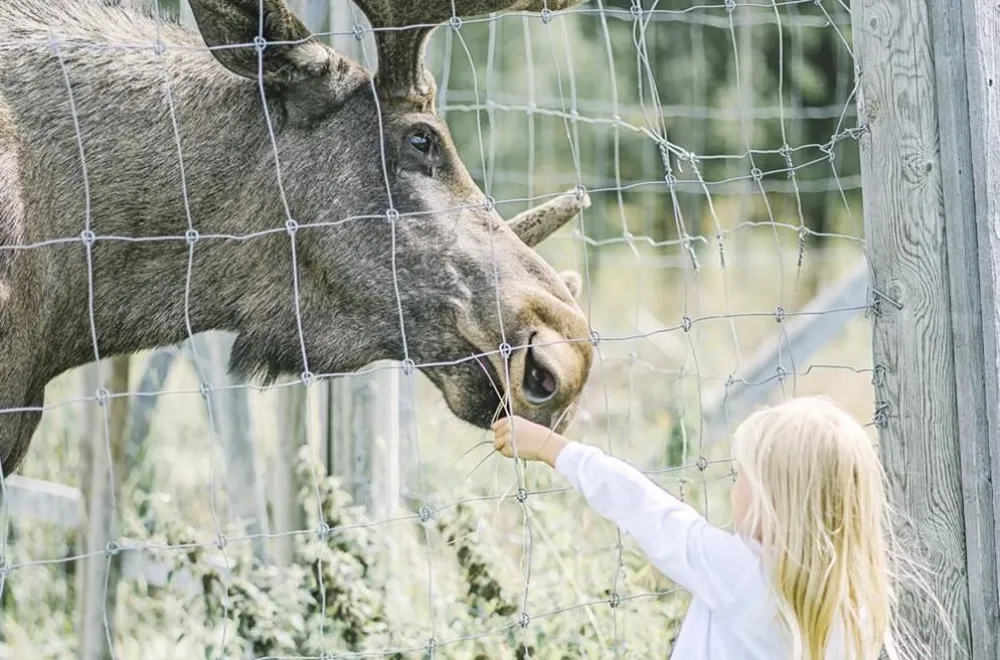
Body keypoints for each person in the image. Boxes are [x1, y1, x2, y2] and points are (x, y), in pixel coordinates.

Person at [491, 395, 942, 659]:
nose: (734, 488)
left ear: (772, 501)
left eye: (741, 476)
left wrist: (555, 448)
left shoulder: (739, 575)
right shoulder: (853, 607)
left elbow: (646, 509)